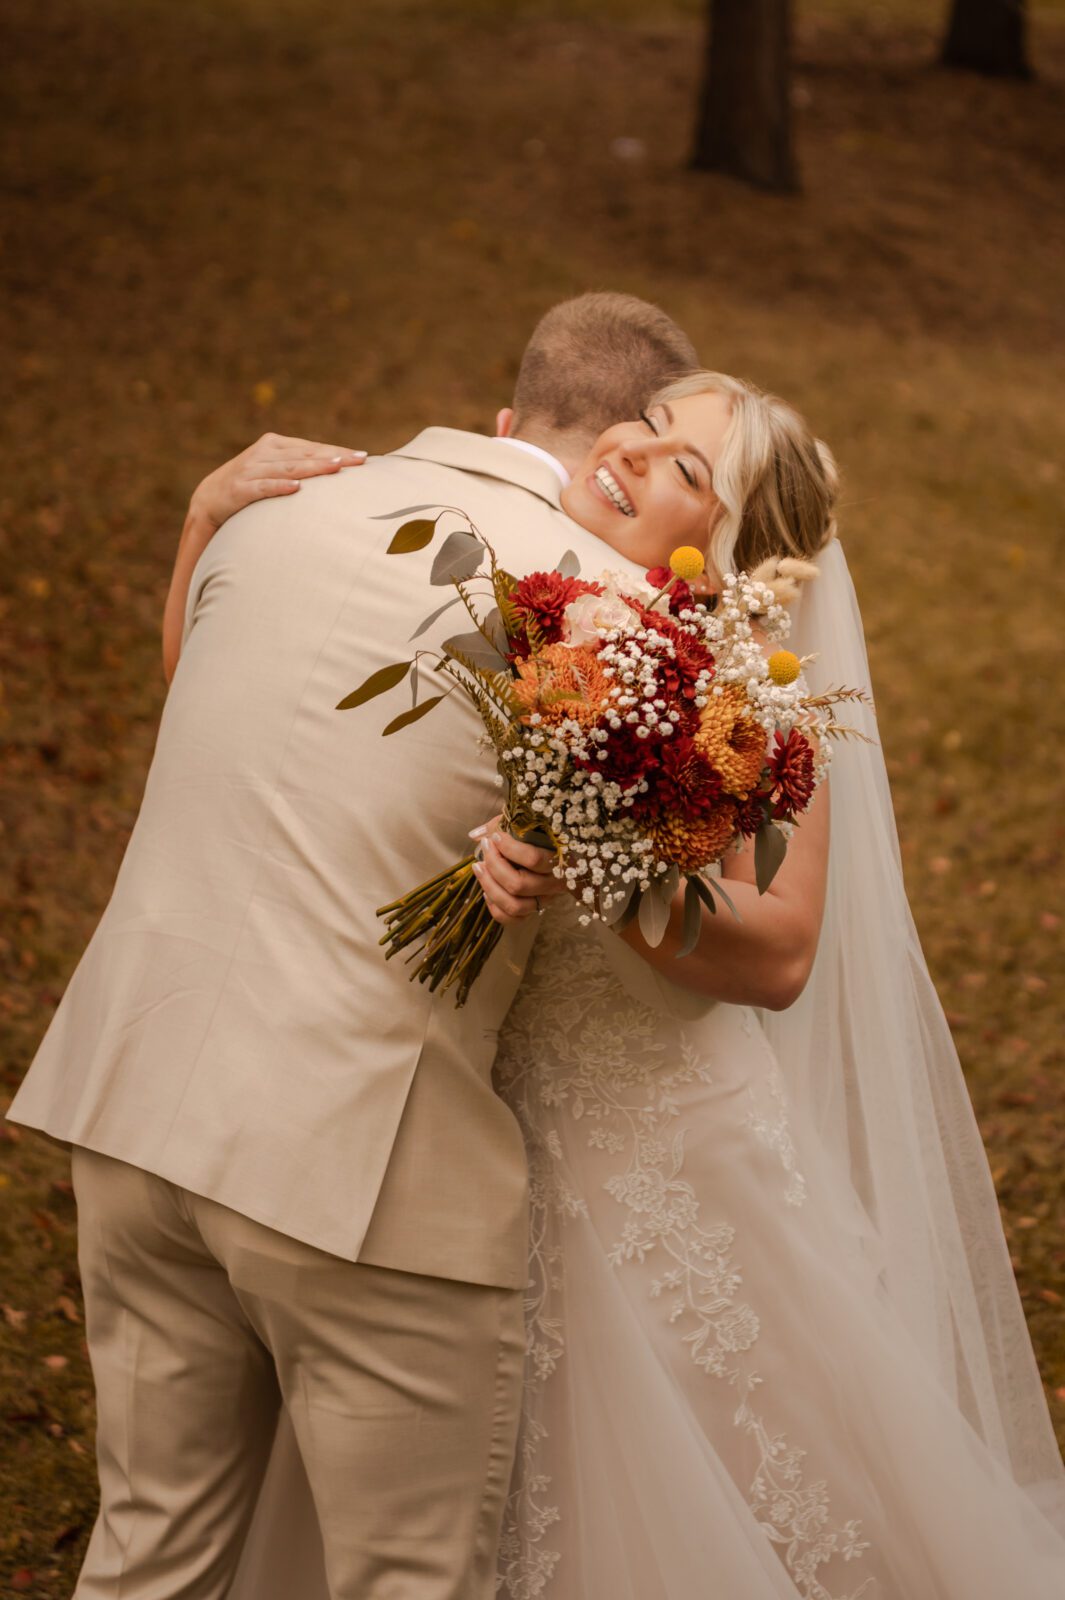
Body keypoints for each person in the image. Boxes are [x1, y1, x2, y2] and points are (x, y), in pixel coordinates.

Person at [191, 369, 1065, 1597]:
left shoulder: (749, 702)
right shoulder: (538, 613)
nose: (639, 455)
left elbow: (783, 948)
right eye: (653, 426)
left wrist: (595, 869)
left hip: (658, 1158)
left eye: (690, 468)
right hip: (469, 1146)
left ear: (735, 550)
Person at [4, 292, 699, 1600]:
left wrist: (200, 521)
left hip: (135, 1108)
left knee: (150, 1557)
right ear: (625, 451)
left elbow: (230, 737)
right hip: (362, 1168)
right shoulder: (607, 611)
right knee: (401, 1581)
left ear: (503, 420)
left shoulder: (264, 508)